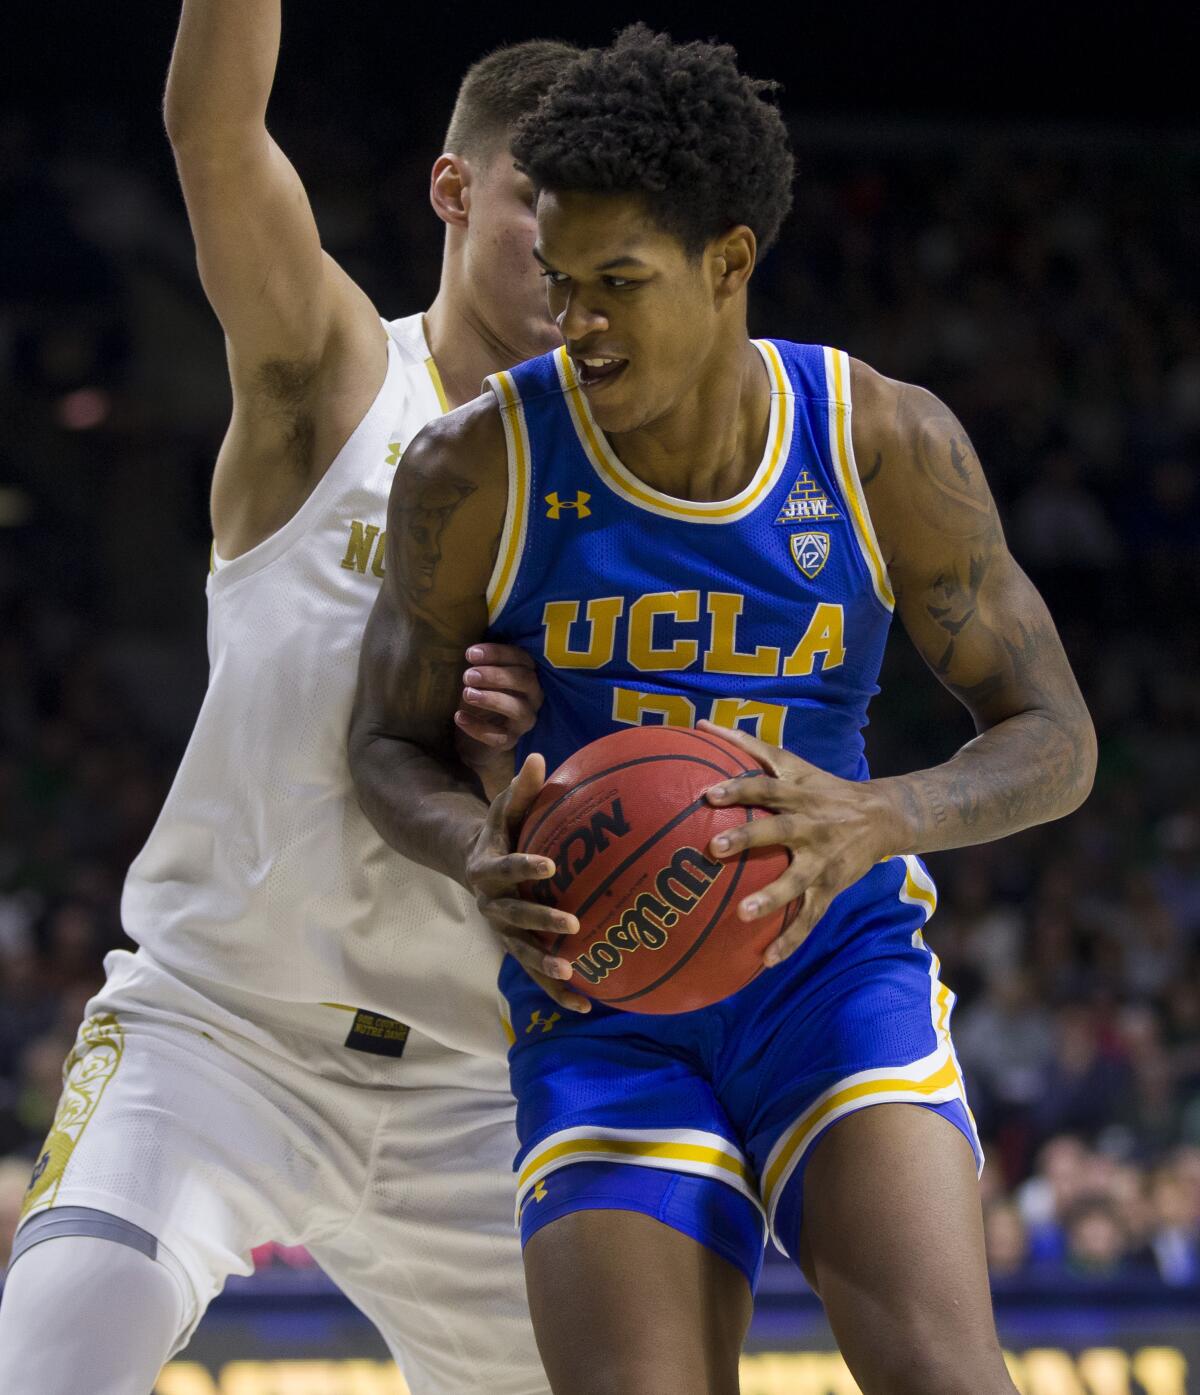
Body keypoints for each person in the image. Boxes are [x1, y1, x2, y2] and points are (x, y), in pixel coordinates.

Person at [349, 26, 1097, 1395]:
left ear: (728, 263)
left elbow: (1057, 740)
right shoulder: (476, 471)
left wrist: (877, 814)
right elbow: (386, 744)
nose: (574, 322)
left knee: (947, 1372)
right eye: (561, 282)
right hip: (604, 989)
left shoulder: (880, 443)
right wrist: (472, 847)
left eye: (618, 286)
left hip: (829, 966)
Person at [0, 5, 581, 1393]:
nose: (575, 250)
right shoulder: (338, 377)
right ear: (453, 189)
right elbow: (215, 133)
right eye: (539, 202)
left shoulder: (635, 497)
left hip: (481, 1088)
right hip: (223, 1035)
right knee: (58, 1357)